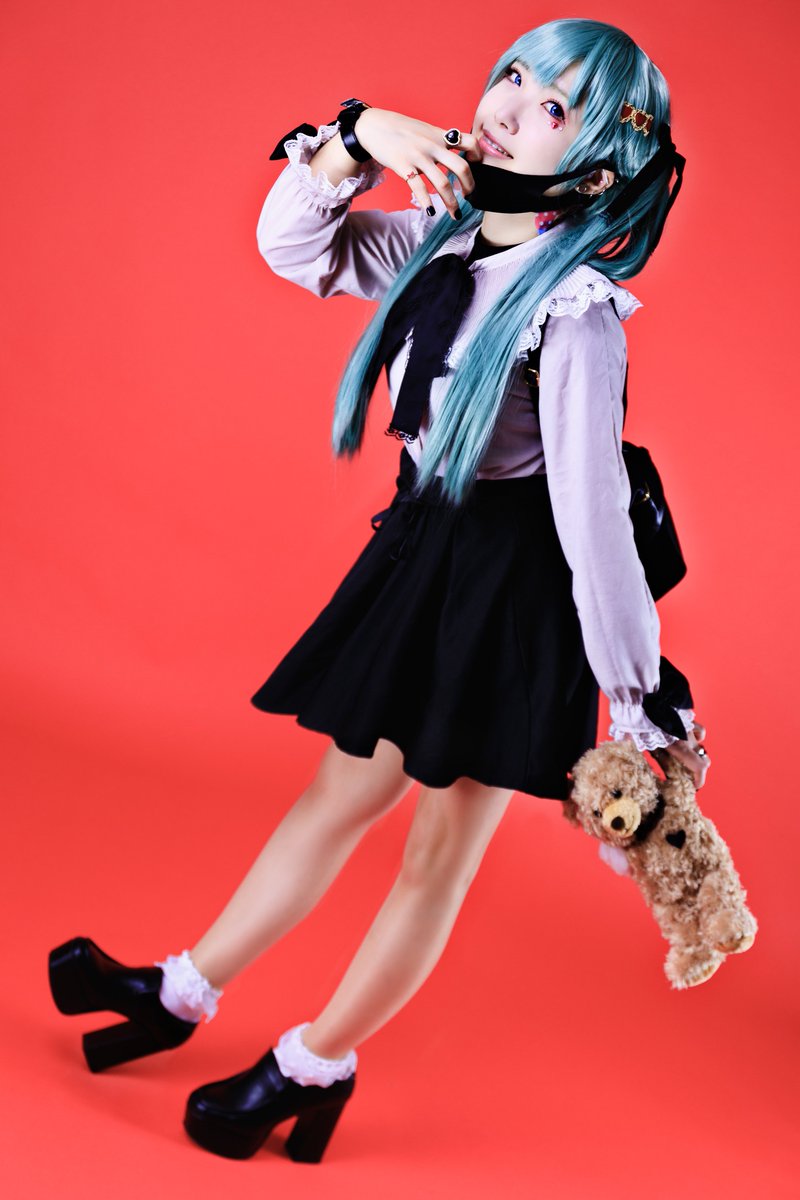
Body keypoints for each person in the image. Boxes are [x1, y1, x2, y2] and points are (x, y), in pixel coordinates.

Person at [48, 17, 712, 1164]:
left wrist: (633, 695)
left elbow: (591, 518)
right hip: (425, 556)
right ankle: (181, 990)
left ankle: (315, 1062)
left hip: (517, 597)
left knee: (436, 851)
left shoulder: (573, 309)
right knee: (335, 795)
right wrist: (356, 136)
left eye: (551, 105)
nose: (509, 104)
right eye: (513, 75)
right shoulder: (437, 239)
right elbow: (293, 246)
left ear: (600, 165)